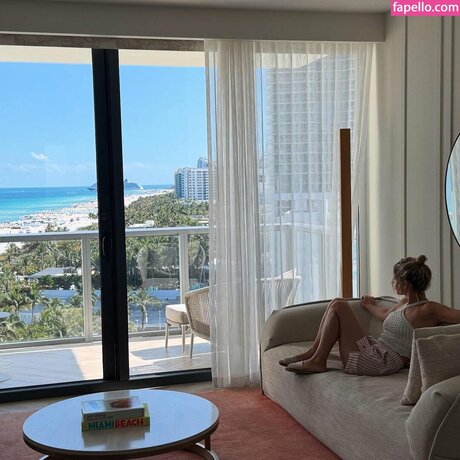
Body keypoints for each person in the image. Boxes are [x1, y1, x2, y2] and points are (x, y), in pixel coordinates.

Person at [279, 255, 460, 375]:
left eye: (394, 279)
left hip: (382, 361)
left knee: (340, 305)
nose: (392, 283)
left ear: (404, 285)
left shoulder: (429, 309)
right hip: (375, 349)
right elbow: (385, 314)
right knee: (337, 302)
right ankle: (313, 353)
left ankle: (318, 360)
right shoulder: (404, 302)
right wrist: (369, 305)